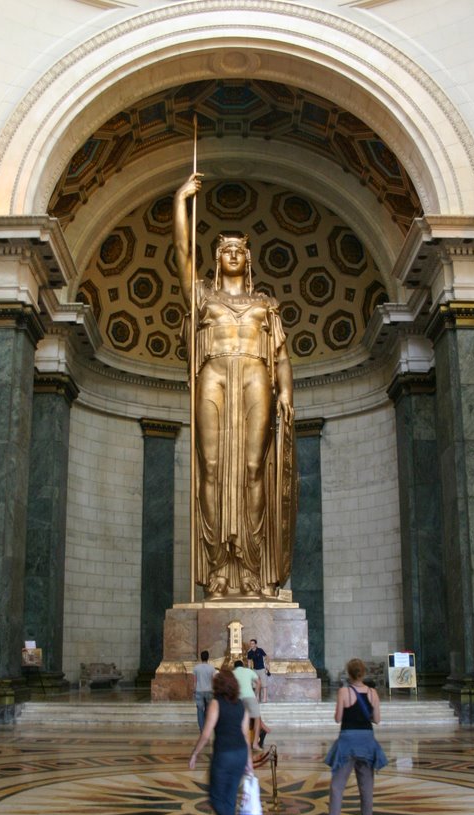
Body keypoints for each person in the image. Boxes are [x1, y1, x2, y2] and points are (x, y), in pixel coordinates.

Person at [173, 173, 296, 599]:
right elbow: (182, 253)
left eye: (238, 250)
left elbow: (280, 355)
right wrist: (179, 201)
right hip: (213, 373)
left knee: (251, 469)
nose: (231, 254)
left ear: (247, 259)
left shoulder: (265, 304)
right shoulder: (202, 297)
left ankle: (250, 566)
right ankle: (218, 568)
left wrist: (288, 395)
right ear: (217, 258)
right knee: (210, 468)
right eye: (224, 250)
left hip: (255, 376)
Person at [189, 668, 253, 815]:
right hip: (240, 754)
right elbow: (245, 736)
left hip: (224, 755)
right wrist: (249, 761)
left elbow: (206, 734)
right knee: (229, 800)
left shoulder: (216, 704)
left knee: (216, 798)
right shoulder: (242, 705)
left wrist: (194, 754)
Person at [326, 657, 387, 815]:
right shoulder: (373, 693)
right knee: (367, 788)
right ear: (363, 673)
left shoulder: (344, 692)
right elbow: (376, 719)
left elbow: (338, 718)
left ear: (348, 672)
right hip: (367, 741)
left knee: (337, 787)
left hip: (347, 741)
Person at [233, 659, 266, 751]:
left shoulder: (232, 673)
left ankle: (239, 742)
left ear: (235, 667)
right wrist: (256, 694)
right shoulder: (248, 671)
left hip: (238, 699)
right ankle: (255, 744)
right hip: (250, 697)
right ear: (242, 666)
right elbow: (259, 683)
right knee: (256, 719)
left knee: (238, 720)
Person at [192, 650, 215, 730]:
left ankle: (202, 729)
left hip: (199, 690)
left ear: (201, 658)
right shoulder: (211, 668)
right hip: (209, 690)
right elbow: (213, 681)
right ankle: (206, 726)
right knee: (208, 709)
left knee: (200, 710)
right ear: (208, 658)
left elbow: (195, 681)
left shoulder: (196, 668)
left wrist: (194, 691)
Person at [247, 638, 270, 703]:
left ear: (255, 644)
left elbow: (266, 657)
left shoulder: (260, 650)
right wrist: (249, 670)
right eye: (250, 644)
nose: (251, 645)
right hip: (254, 669)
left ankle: (265, 698)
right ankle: (257, 698)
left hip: (262, 669)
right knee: (255, 684)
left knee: (264, 684)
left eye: (253, 643)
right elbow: (249, 662)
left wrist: (267, 666)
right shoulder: (249, 652)